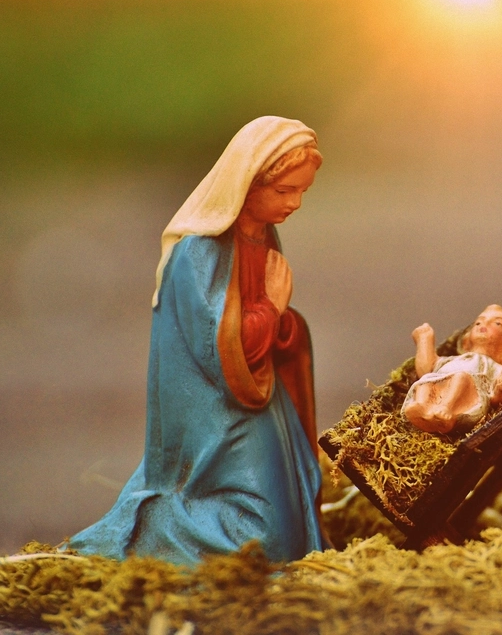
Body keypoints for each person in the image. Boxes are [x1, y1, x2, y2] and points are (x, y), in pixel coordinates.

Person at [67, 116, 325, 565]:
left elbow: (266, 331)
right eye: (285, 191)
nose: (296, 203)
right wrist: (272, 309)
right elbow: (218, 347)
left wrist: (284, 324)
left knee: (297, 499)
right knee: (267, 541)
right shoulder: (200, 251)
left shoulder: (265, 234)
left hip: (255, 393)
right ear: (248, 183)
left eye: (302, 191)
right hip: (213, 407)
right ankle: (155, 524)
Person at [403, 304, 502, 435]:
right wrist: (424, 339)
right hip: (438, 388)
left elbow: (500, 400)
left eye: (497, 323)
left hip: (468, 400)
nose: (484, 325)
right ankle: (421, 407)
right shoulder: (453, 359)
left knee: (461, 377)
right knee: (426, 380)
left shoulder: (493, 366)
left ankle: (446, 410)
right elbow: (427, 369)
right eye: (478, 323)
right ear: (466, 340)